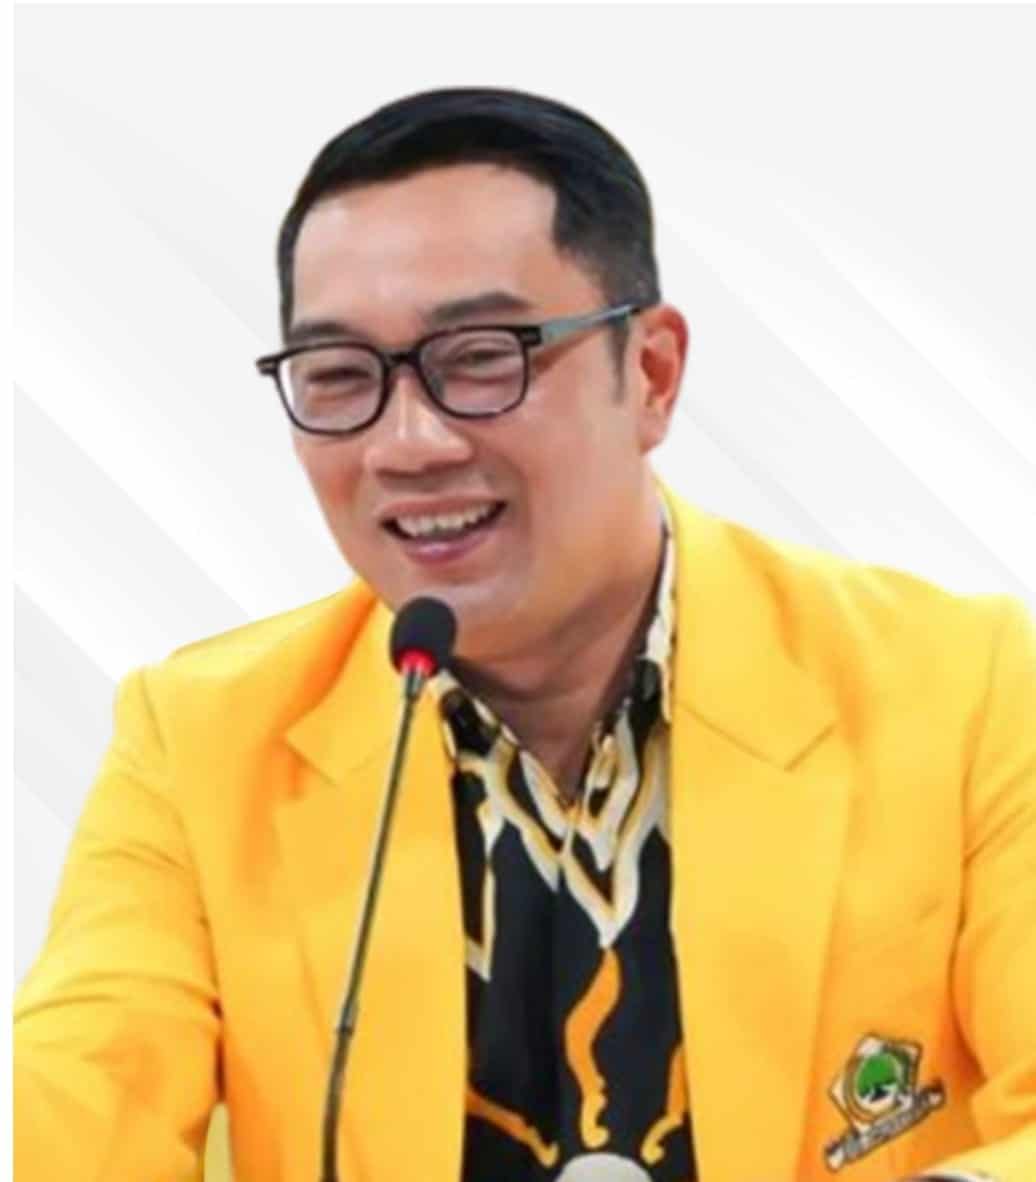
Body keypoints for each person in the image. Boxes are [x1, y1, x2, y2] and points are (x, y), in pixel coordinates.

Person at [13, 86, 1035, 1182]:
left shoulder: (964, 685)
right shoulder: (202, 740)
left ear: (651, 374)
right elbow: (75, 1106)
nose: (409, 443)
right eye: (341, 377)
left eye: (482, 357)